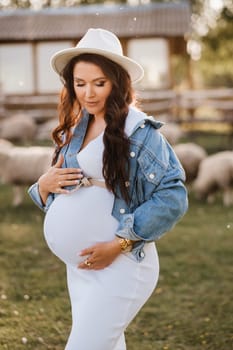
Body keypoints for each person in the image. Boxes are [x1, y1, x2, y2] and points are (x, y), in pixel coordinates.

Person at [28, 28, 188, 350]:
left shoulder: (140, 132)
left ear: (118, 81)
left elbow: (174, 196)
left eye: (99, 83)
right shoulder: (78, 128)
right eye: (80, 83)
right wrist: (42, 187)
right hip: (81, 270)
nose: (88, 93)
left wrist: (119, 244)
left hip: (122, 267)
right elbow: (69, 194)